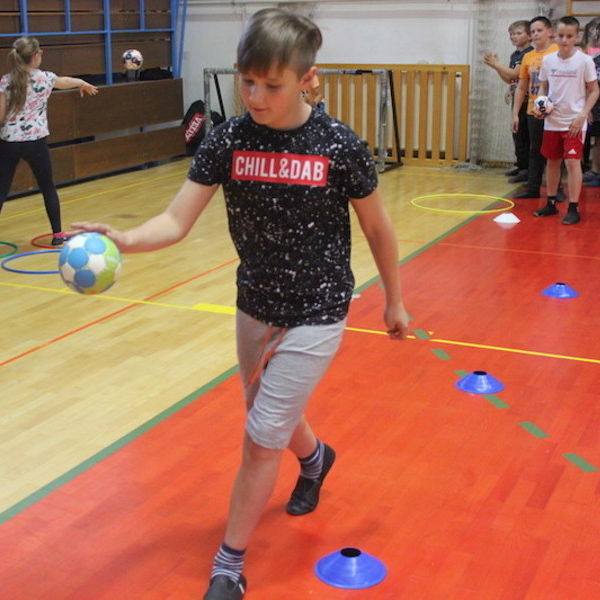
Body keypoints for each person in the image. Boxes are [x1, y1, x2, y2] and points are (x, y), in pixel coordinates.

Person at [71, 8, 409, 600]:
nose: (254, 96)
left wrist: (394, 302)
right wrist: (125, 238)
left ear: (307, 79)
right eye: (246, 81)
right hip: (254, 304)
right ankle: (317, 458)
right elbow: (176, 220)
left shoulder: (338, 145)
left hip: (319, 309)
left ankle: (229, 565)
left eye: (271, 85)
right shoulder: (228, 140)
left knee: (260, 437)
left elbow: (378, 228)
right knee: (269, 414)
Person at [0, 37, 98, 245]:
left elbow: (0, 115)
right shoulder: (45, 78)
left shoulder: (6, 80)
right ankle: (57, 235)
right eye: (40, 52)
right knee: (47, 187)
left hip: (9, 141)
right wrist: (82, 83)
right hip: (36, 142)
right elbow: (65, 82)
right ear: (35, 56)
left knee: (1, 189)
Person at [533, 16, 598, 225]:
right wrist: (540, 104)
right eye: (561, 35)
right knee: (552, 162)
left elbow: (594, 90)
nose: (564, 40)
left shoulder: (584, 61)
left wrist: (583, 114)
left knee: (572, 162)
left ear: (577, 37)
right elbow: (543, 87)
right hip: (552, 121)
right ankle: (551, 203)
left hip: (574, 122)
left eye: (569, 36)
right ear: (554, 35)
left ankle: (573, 207)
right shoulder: (548, 60)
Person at [511, 16, 559, 199]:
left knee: (554, 151)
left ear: (549, 32)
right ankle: (533, 188)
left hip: (555, 111)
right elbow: (522, 87)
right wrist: (515, 113)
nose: (536, 34)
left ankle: (556, 190)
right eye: (533, 31)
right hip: (534, 109)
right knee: (535, 149)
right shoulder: (528, 57)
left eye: (539, 30)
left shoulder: (557, 52)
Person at [483, 20, 533, 183]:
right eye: (511, 34)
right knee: (517, 134)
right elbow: (509, 79)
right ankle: (521, 165)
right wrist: (496, 67)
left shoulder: (529, 53)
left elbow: (514, 74)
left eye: (518, 33)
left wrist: (497, 64)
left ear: (529, 36)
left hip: (528, 100)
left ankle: (528, 169)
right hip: (517, 99)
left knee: (525, 135)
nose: (514, 36)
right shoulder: (515, 54)